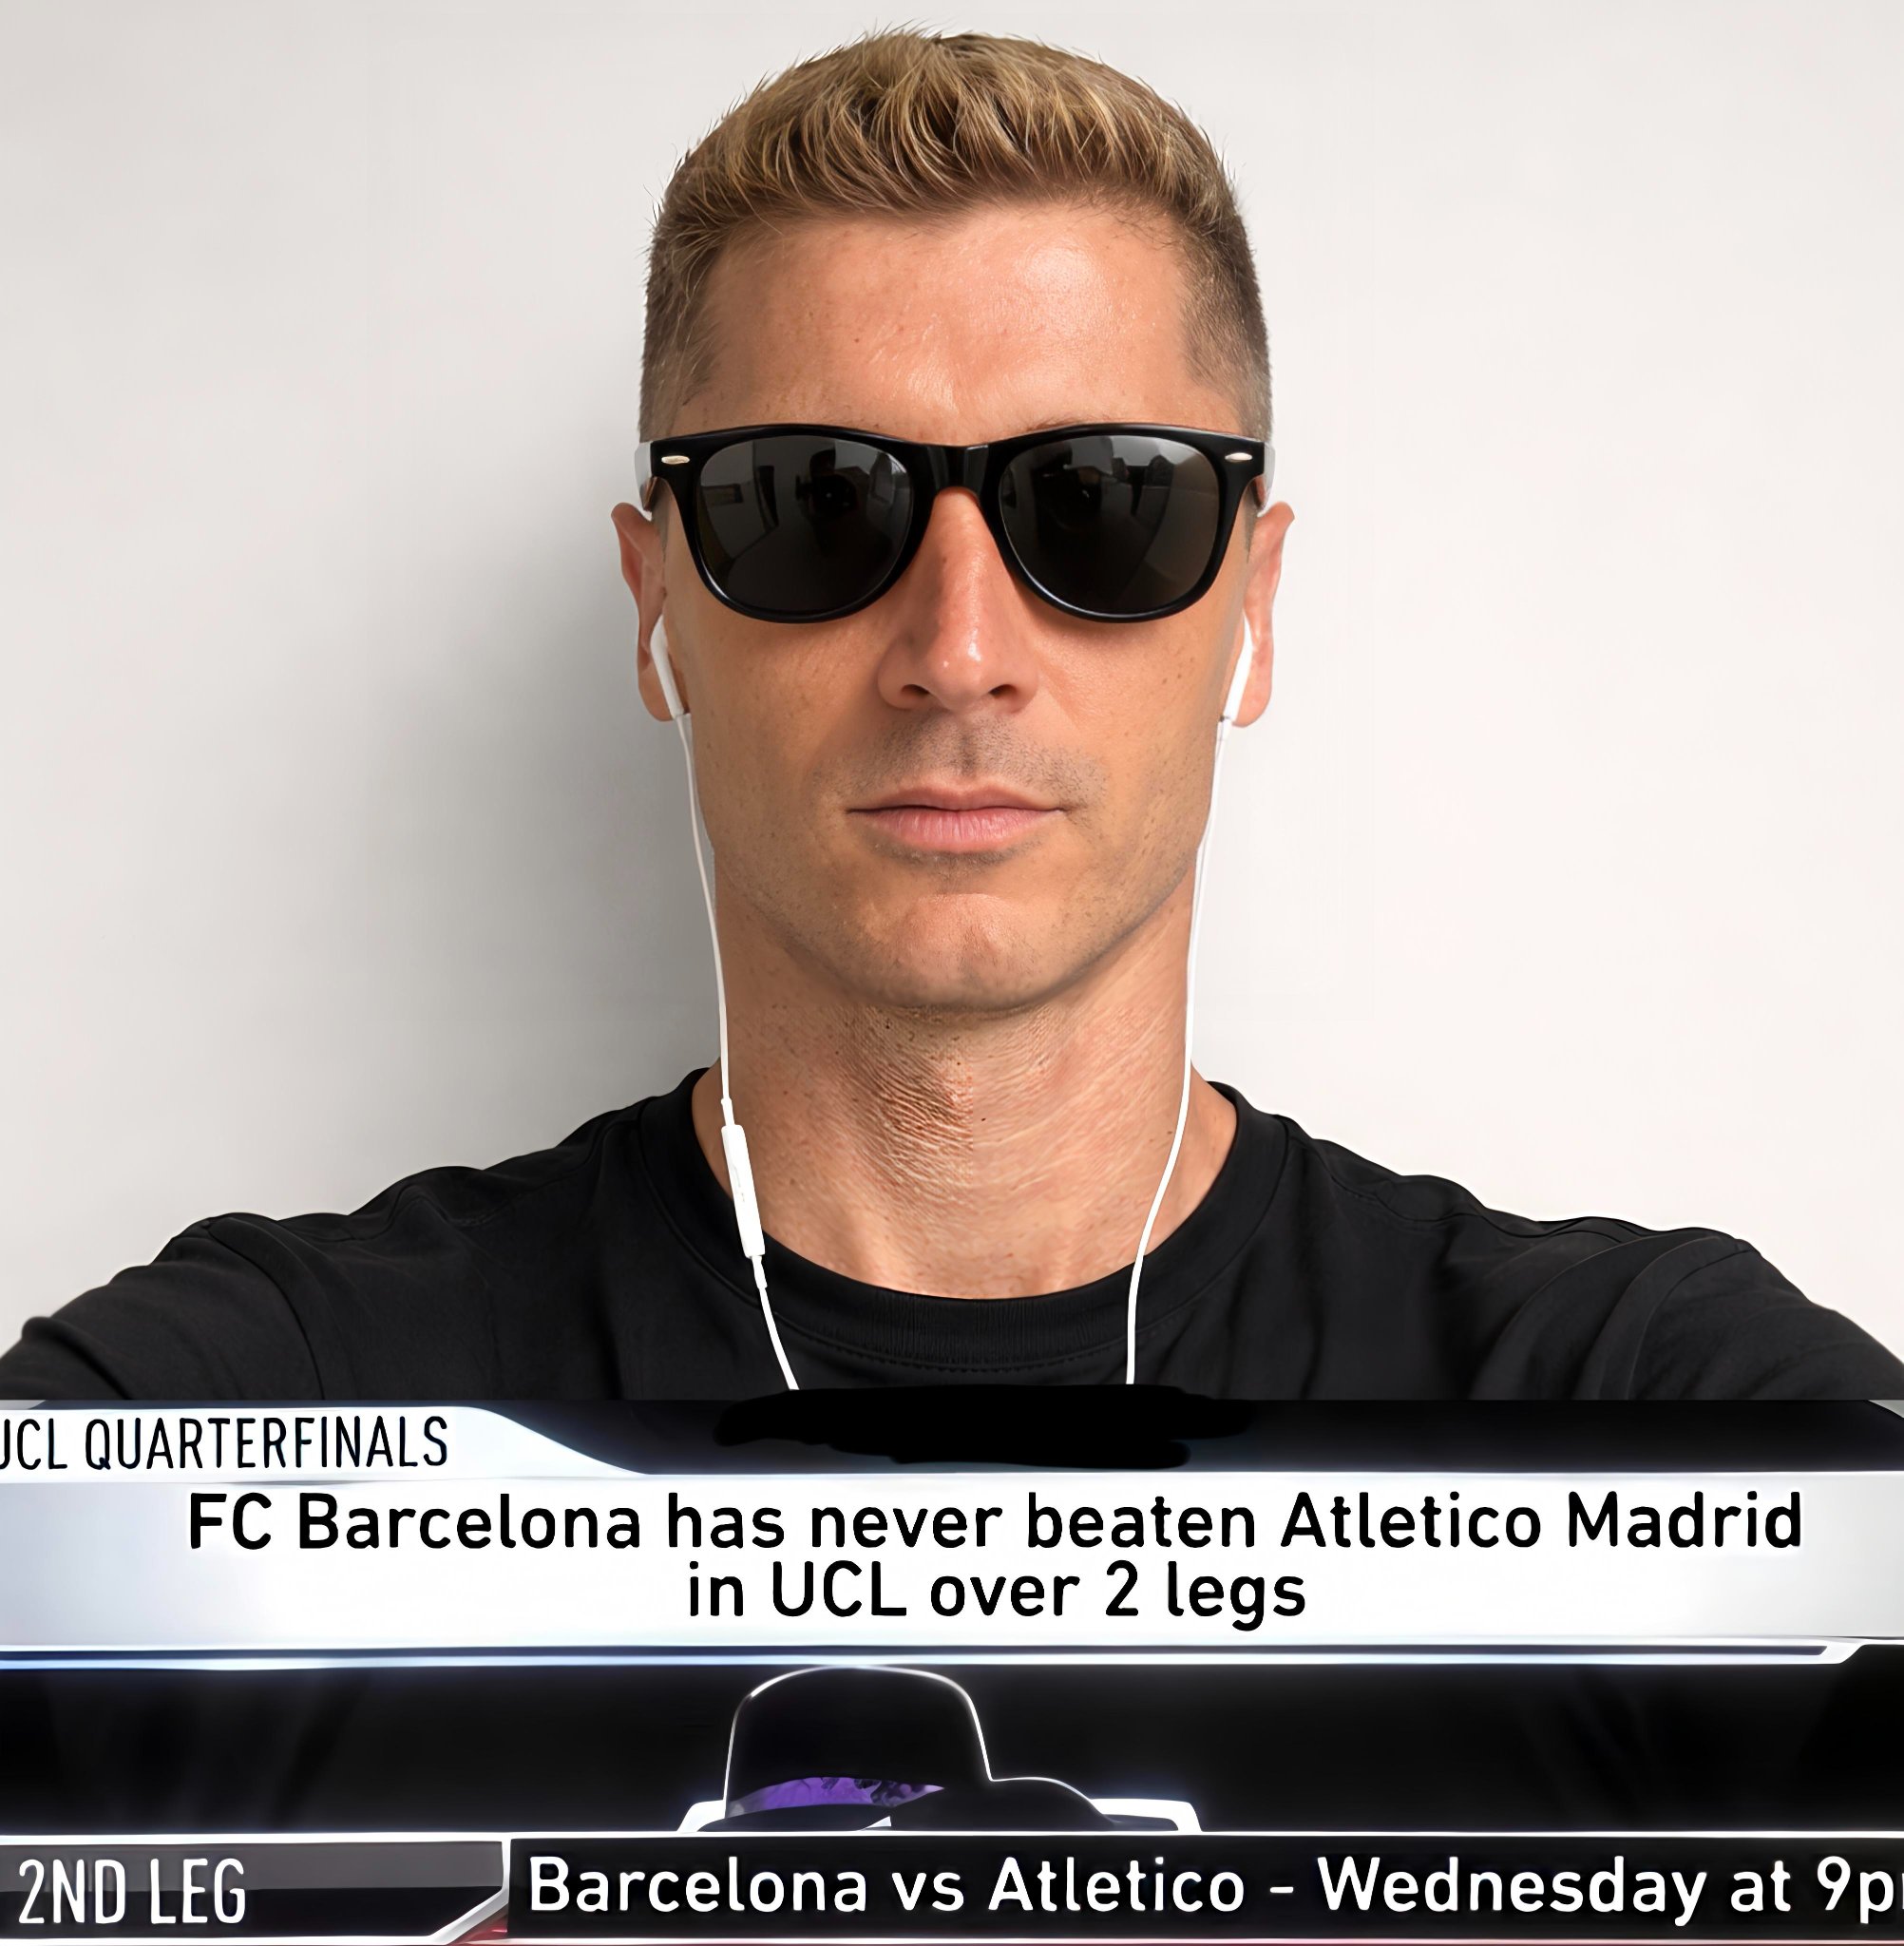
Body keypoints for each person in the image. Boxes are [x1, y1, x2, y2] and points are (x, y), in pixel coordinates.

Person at [3, 30, 1898, 1402]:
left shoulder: (1646, 1418)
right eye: (811, 504)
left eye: (1106, 505)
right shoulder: (253, 1415)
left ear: (1253, 602)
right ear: (659, 602)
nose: (960, 647)